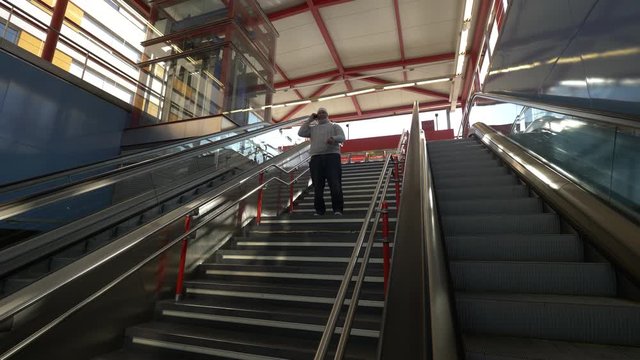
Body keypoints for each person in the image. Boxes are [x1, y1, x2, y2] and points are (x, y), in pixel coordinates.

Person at [298, 107, 346, 216]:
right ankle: (319, 210)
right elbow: (300, 133)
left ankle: (337, 209)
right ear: (316, 115)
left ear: (327, 115)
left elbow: (342, 137)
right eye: (319, 113)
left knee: (335, 184)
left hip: (332, 157)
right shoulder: (313, 129)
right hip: (316, 158)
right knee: (317, 186)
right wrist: (310, 120)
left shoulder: (334, 126)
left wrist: (333, 138)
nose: (321, 114)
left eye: (324, 112)